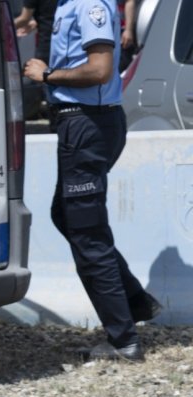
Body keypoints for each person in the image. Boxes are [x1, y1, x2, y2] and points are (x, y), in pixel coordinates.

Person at [23, 0, 160, 362]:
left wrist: (47, 75)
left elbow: (100, 70)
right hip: (83, 124)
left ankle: (124, 341)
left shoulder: (88, 5)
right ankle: (135, 302)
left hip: (87, 124)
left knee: (87, 233)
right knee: (66, 215)